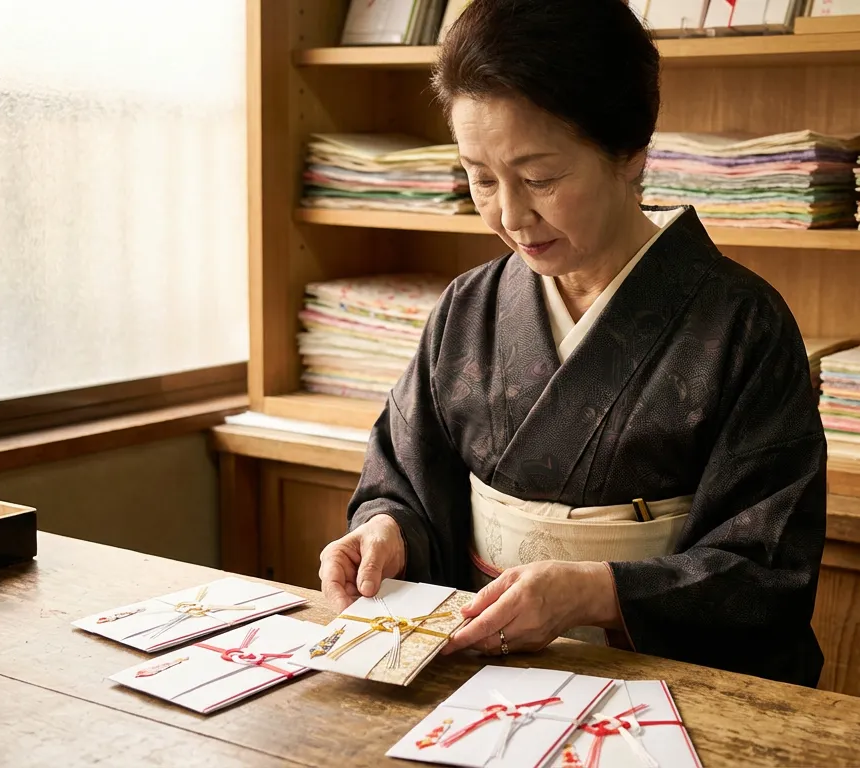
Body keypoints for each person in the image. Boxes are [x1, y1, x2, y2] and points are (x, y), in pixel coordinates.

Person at [318, 0, 827, 686]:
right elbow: (406, 480)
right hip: (482, 670)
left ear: (629, 155)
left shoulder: (743, 326)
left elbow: (768, 569)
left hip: (660, 682)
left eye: (540, 179)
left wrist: (596, 592)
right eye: (481, 177)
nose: (510, 214)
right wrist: (386, 531)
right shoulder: (468, 308)